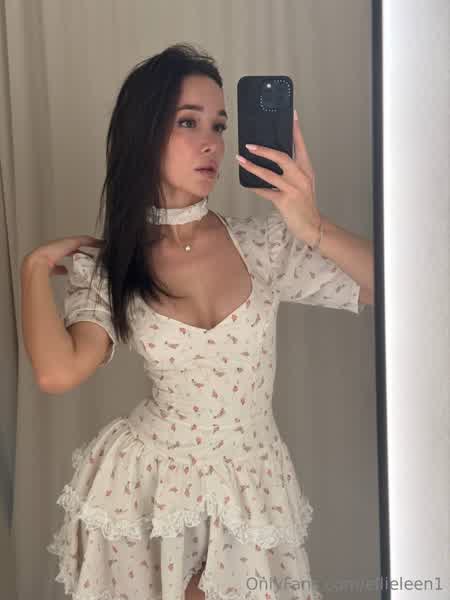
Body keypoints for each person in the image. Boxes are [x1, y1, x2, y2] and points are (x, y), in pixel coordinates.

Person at [22, 43, 368, 600]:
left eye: (219, 125)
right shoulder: (114, 266)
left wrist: (312, 227)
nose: (212, 142)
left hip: (251, 485)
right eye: (188, 122)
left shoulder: (261, 245)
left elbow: (394, 287)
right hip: (152, 490)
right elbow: (58, 372)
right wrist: (35, 267)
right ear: (143, 134)